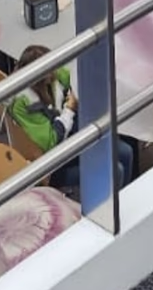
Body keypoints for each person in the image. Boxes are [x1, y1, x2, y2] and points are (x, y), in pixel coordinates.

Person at [8, 49, 135, 195]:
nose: (54, 73)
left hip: (73, 141)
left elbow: (74, 78)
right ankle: (106, 210)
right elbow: (51, 142)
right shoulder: (24, 105)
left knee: (126, 152)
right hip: (54, 164)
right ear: (37, 78)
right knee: (116, 170)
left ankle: (125, 198)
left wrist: (79, 88)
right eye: (49, 72)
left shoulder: (52, 76)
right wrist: (69, 108)